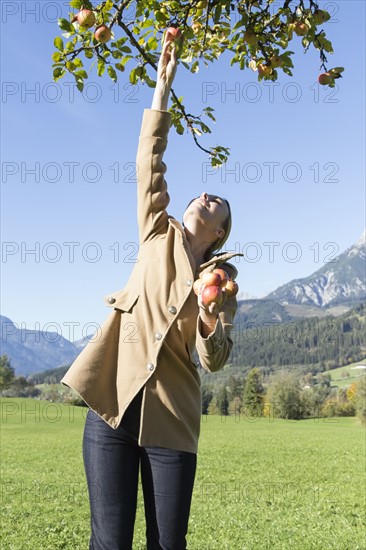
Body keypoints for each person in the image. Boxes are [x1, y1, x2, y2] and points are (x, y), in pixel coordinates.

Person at [61, 36, 243, 550]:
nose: (204, 196)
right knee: (109, 541)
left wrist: (209, 318)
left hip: (172, 423)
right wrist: (161, 91)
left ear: (219, 234)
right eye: (202, 195)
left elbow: (216, 361)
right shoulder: (155, 232)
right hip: (111, 408)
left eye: (216, 204)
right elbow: (149, 163)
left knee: (167, 544)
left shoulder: (224, 286)